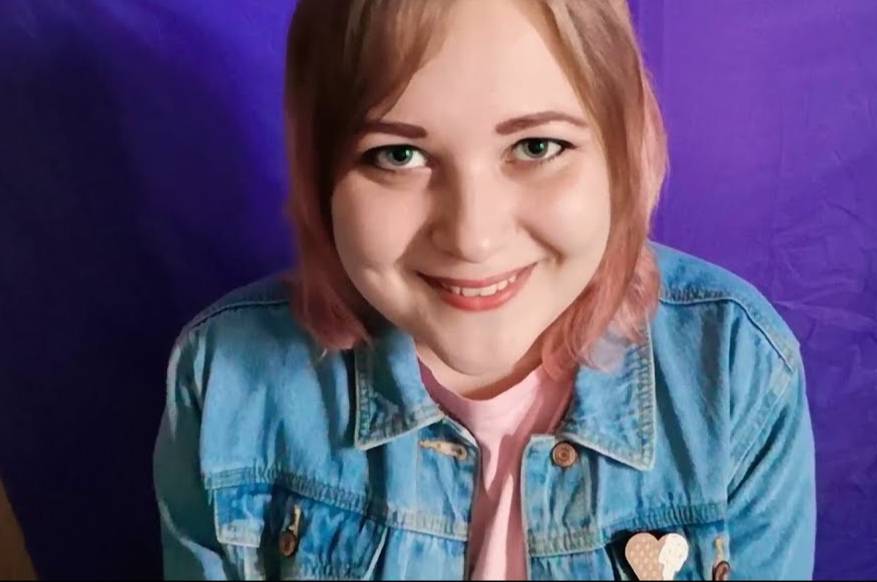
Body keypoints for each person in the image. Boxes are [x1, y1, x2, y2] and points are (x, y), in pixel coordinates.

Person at [153, 0, 816, 579]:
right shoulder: (225, 381)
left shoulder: (736, 369)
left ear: (623, 147)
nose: (473, 238)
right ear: (321, 174)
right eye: (398, 155)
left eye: (536, 146)